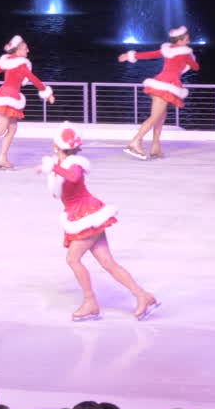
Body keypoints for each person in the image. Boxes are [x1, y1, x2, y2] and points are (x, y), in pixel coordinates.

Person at [37, 122, 159, 321]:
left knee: (73, 259)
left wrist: (54, 168)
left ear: (56, 146)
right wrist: (50, 169)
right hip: (83, 213)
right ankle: (143, 296)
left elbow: (74, 176)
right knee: (107, 262)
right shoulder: (62, 164)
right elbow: (61, 188)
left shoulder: (73, 163)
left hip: (86, 216)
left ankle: (90, 302)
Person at [0, 34, 56, 169]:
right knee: (1, 129)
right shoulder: (21, 64)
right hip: (7, 97)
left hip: (9, 96)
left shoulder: (8, 61)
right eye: (25, 49)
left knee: (12, 128)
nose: (28, 51)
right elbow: (33, 79)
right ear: (17, 51)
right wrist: (48, 94)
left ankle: (2, 158)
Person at [117, 26, 199, 160]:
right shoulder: (185, 52)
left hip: (160, 82)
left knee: (160, 118)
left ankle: (155, 147)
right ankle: (135, 142)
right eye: (187, 39)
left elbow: (150, 54)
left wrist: (130, 55)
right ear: (181, 40)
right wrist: (191, 57)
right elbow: (196, 67)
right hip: (167, 85)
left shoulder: (167, 50)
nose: (188, 41)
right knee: (154, 118)